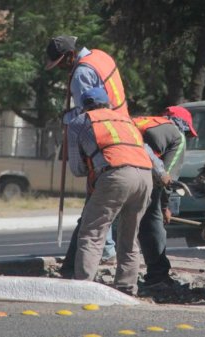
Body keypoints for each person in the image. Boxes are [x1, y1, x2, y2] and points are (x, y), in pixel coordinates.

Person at [66, 87, 161, 295]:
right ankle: (127, 287)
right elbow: (149, 154)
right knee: (129, 236)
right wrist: (162, 175)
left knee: (92, 233)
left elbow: (77, 169)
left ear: (84, 107)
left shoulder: (79, 122)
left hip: (116, 175)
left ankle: (83, 286)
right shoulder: (126, 120)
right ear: (108, 104)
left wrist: (92, 163)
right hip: (145, 176)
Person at [46, 35, 128, 265]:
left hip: (103, 135)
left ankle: (105, 251)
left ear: (71, 55)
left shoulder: (81, 74)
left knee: (97, 194)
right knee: (112, 200)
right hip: (121, 126)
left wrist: (66, 118)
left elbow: (87, 113)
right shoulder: (100, 56)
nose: (62, 68)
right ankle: (110, 249)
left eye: (62, 62)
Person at [131, 105, 198, 288]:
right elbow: (166, 179)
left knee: (95, 222)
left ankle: (72, 268)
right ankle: (157, 275)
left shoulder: (143, 122)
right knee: (152, 220)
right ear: (184, 125)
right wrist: (164, 207)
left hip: (111, 169)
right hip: (142, 173)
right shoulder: (177, 135)